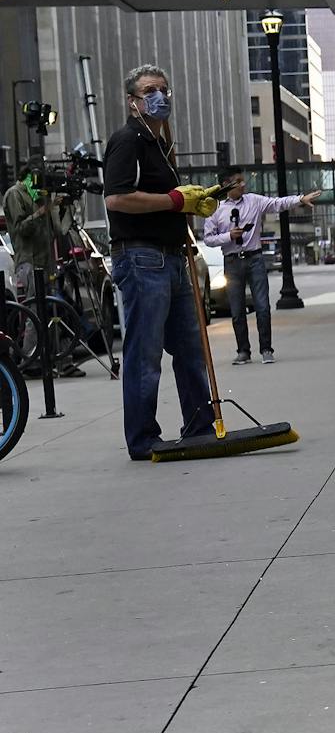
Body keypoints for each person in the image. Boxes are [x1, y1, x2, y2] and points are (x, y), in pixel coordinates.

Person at [103, 64, 223, 460]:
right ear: (133, 101)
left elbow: (172, 200)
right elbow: (116, 198)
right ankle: (142, 439)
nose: (160, 96)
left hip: (172, 258)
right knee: (145, 352)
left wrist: (191, 203)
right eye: (150, 89)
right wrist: (175, 200)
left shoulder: (160, 145)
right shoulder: (128, 141)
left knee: (190, 348)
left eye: (164, 89)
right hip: (141, 258)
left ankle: (200, 426)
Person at [201, 166, 322, 365]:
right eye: (238, 181)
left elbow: (277, 204)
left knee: (262, 306)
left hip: (254, 258)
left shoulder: (254, 201)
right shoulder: (215, 209)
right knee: (237, 309)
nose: (243, 184)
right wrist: (228, 236)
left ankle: (266, 348)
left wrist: (300, 199)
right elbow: (209, 239)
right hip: (232, 261)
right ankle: (243, 351)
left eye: (243, 180)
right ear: (225, 185)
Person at [2, 158, 84, 378]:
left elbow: (58, 231)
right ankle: (30, 361)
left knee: (54, 310)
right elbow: (20, 230)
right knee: (34, 313)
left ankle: (61, 359)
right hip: (28, 262)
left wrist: (60, 208)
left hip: (47, 262)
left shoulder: (41, 195)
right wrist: (40, 211)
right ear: (26, 177)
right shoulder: (14, 195)